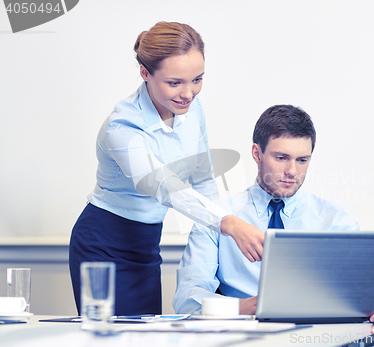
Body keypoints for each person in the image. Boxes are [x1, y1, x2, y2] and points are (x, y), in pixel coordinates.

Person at [69, 21, 264, 316]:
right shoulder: (122, 126)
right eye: (175, 83)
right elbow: (163, 185)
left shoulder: (192, 109)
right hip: (103, 243)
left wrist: (225, 234)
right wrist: (229, 223)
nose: (188, 93)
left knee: (149, 338)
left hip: (147, 245)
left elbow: (202, 177)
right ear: (145, 73)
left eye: (197, 79)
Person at [173, 105, 374, 338]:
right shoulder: (217, 218)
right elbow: (187, 298)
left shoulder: (333, 219)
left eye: (302, 160)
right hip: (243, 337)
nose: (292, 171)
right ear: (256, 154)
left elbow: (365, 279)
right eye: (281, 158)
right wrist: (244, 308)